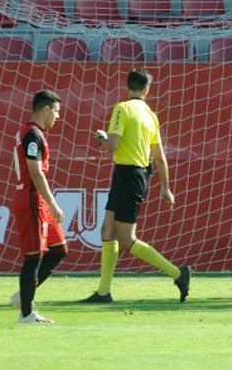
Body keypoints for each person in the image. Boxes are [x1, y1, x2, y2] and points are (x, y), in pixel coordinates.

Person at [81, 69, 190, 304]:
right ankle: (103, 292)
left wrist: (101, 137)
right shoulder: (151, 115)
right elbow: (160, 157)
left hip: (129, 176)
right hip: (132, 175)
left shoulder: (123, 108)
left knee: (127, 240)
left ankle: (178, 273)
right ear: (147, 89)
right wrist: (166, 187)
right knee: (106, 232)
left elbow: (111, 145)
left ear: (127, 86)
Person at [11, 90, 67, 323]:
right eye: (56, 112)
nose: (57, 117)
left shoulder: (34, 133)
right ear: (46, 110)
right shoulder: (32, 135)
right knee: (33, 256)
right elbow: (35, 173)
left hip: (39, 201)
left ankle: (23, 296)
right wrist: (53, 203)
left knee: (59, 249)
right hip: (33, 200)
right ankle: (26, 314)